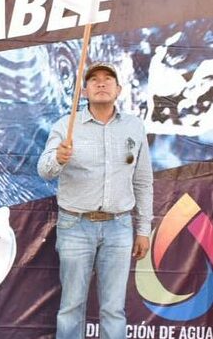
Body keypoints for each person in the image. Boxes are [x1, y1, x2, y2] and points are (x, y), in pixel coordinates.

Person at [37, 62, 153, 339]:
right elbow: (43, 170)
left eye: (108, 79)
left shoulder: (134, 127)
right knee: (71, 307)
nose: (101, 83)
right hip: (75, 226)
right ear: (84, 91)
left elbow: (143, 181)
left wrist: (144, 229)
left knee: (114, 309)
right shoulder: (67, 126)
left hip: (120, 227)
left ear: (119, 89)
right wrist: (58, 159)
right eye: (94, 80)